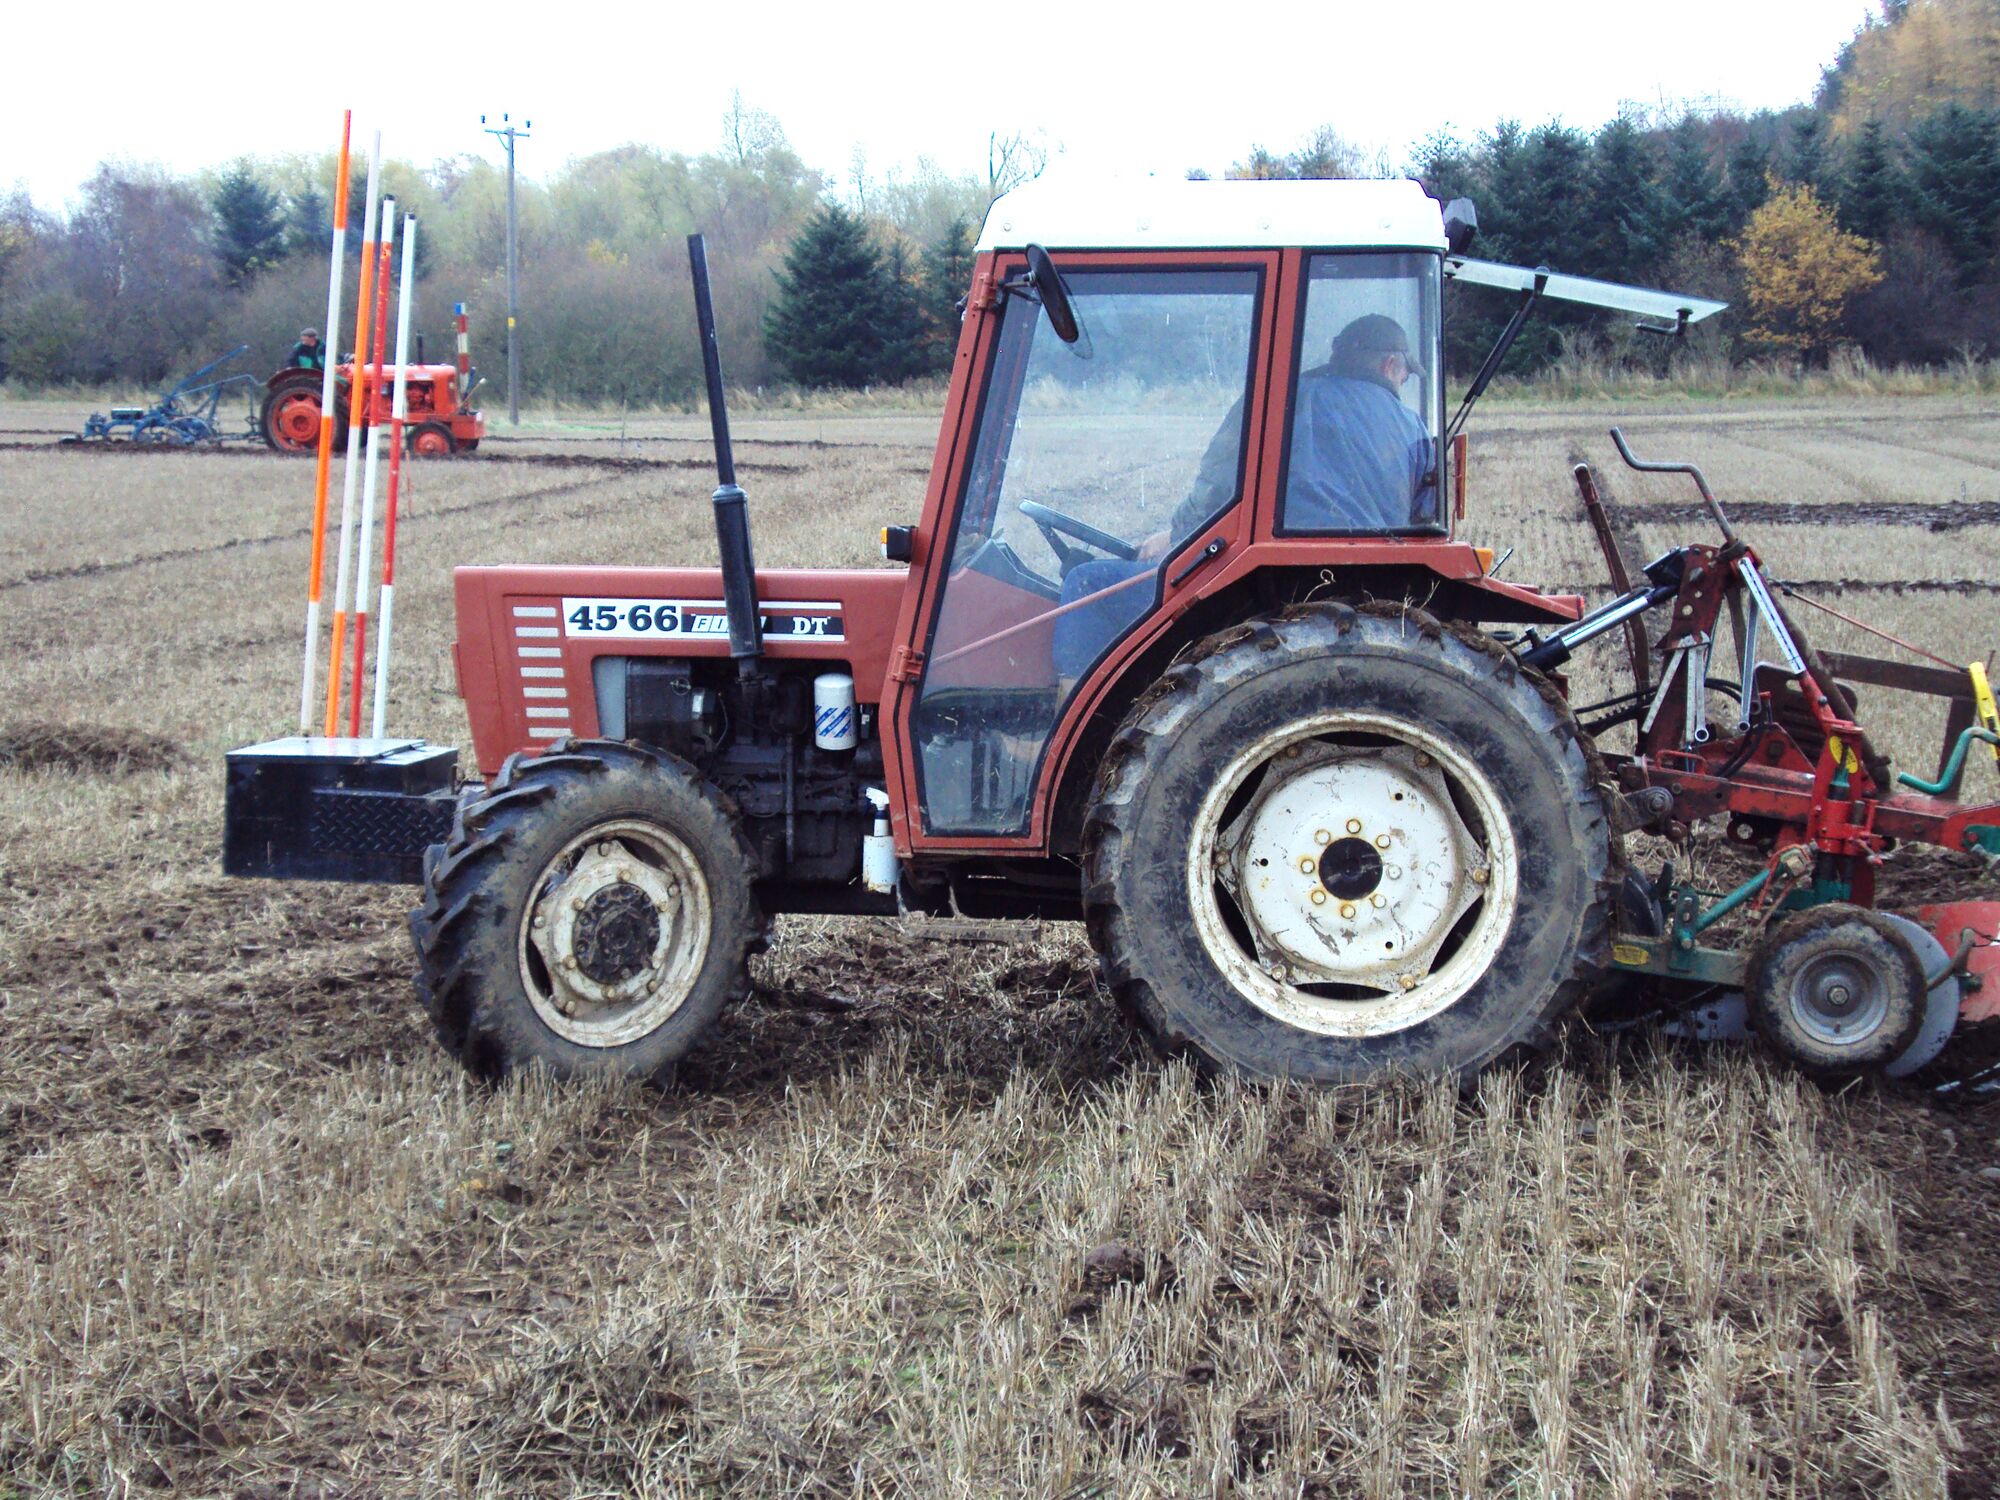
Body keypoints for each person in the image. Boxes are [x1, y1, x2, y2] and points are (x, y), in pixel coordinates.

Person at [1050, 314, 1436, 681]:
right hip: (1362, 594)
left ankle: (1062, 734)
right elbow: (1424, 521)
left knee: (1089, 585)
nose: (1401, 385)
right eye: (1406, 376)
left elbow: (1218, 485)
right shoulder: (1414, 430)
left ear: (1339, 353)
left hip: (1265, 595)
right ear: (1390, 365)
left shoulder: (1279, 401)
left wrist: (1180, 536)